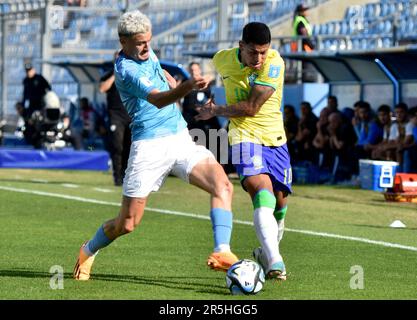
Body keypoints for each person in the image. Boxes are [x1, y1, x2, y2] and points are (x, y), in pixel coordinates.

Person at [73, 10, 238, 281]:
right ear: (123, 42)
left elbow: (157, 73)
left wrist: (167, 78)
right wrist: (184, 87)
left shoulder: (146, 52)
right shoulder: (125, 69)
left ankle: (222, 251)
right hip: (148, 148)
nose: (147, 46)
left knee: (223, 185)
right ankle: (88, 250)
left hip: (180, 139)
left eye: (149, 40)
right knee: (127, 224)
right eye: (140, 42)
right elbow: (159, 100)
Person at [195, 22, 290, 281]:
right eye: (253, 52)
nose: (258, 58)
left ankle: (265, 252)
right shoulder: (221, 58)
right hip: (243, 137)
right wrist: (205, 83)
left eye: (263, 52)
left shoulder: (274, 64)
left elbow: (250, 108)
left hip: (276, 140)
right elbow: (218, 73)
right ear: (241, 46)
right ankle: (274, 261)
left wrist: (215, 111)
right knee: (263, 193)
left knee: (280, 207)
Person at [99, 51, 132, 186]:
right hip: (115, 116)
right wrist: (115, 74)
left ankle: (126, 175)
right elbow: (102, 88)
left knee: (128, 147)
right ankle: (117, 176)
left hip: (130, 115)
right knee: (117, 146)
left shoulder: (131, 74)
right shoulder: (108, 74)